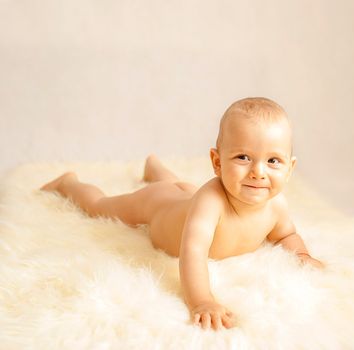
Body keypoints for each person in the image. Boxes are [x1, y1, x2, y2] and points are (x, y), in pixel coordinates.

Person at [40, 97, 324, 331]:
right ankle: (70, 184)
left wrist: (300, 254)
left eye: (273, 161)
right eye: (243, 157)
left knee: (180, 187)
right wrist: (201, 300)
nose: (258, 172)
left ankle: (155, 169)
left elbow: (287, 233)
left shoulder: (276, 205)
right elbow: (193, 253)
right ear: (216, 161)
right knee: (102, 207)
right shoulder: (210, 202)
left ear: (290, 168)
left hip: (184, 196)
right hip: (157, 207)